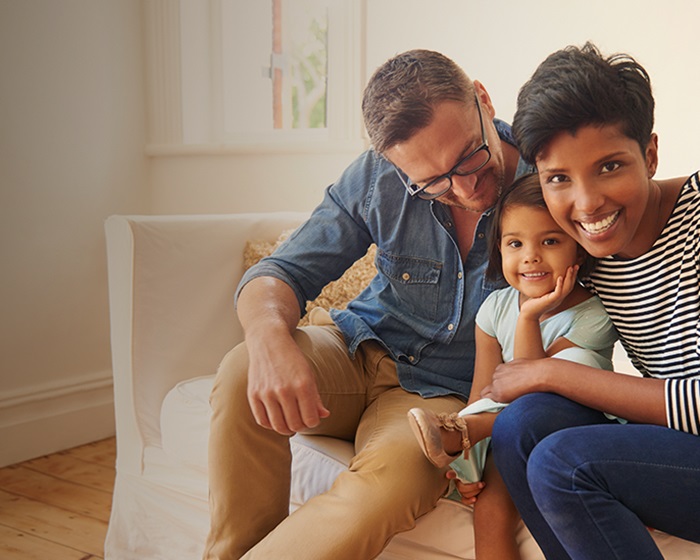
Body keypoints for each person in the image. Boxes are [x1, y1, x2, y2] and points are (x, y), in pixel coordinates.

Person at [203, 49, 532, 560]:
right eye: (433, 184)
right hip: (354, 350)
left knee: (393, 484)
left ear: (484, 101)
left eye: (470, 155)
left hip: (441, 399)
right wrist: (268, 340)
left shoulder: (549, 180)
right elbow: (278, 272)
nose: (465, 188)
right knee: (242, 368)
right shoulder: (379, 177)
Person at [484, 43, 700, 560]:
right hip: (680, 453)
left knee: (564, 462)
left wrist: (553, 374)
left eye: (609, 167)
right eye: (559, 178)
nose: (587, 204)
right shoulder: (583, 253)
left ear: (649, 154)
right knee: (522, 426)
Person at [407, 173, 618, 560]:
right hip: (508, 438)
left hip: (571, 431)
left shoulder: (595, 314)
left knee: (576, 363)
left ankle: (463, 435)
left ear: (579, 250)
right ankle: (464, 443)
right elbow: (483, 392)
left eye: (550, 241)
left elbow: (534, 387)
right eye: (515, 243)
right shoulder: (493, 309)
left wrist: (529, 319)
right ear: (499, 250)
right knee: (489, 510)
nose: (530, 256)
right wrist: (469, 469)